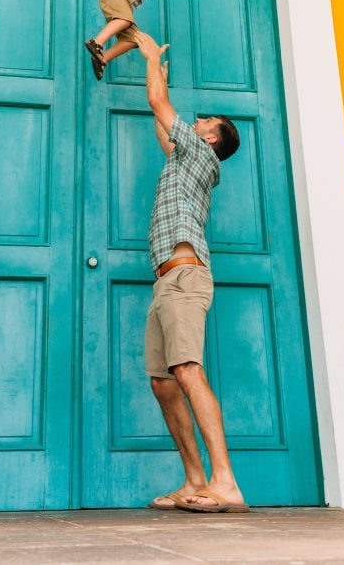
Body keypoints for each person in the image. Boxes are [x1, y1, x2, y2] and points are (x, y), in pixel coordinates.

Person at [135, 31, 249, 515]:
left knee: (187, 369)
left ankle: (226, 482)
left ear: (211, 138)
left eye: (206, 121)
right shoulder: (183, 158)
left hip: (185, 278)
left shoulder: (202, 156)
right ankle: (194, 479)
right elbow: (159, 116)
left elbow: (161, 105)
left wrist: (146, 57)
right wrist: (157, 66)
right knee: (163, 381)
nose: (198, 120)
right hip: (165, 282)